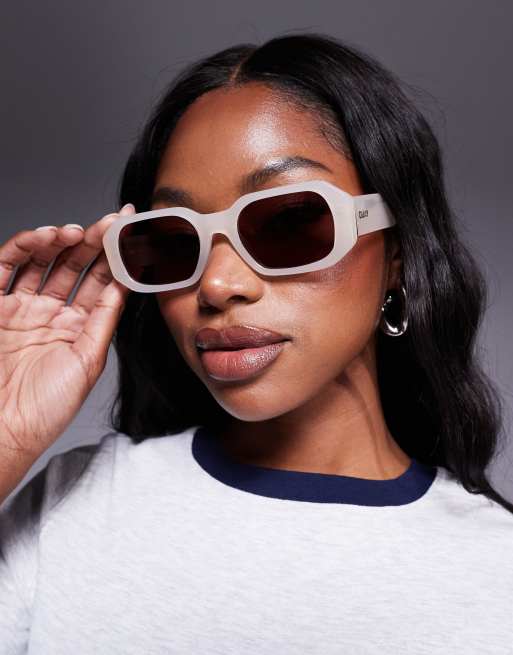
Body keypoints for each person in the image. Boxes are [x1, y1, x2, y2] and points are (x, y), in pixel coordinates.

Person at [0, 31, 511, 654]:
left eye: (289, 222)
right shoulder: (72, 505)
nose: (217, 284)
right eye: (174, 241)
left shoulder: (496, 573)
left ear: (397, 254)